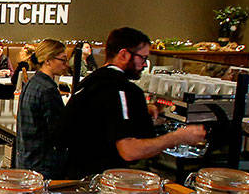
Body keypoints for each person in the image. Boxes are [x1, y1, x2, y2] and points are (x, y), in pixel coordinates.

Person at [60, 27, 205, 178]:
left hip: (75, 176)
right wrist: (179, 137)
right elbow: (129, 151)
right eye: (142, 58)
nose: (144, 65)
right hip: (103, 184)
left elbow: (100, 123)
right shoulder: (121, 88)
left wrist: (140, 112)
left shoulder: (91, 80)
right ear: (123, 54)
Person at [15, 39, 70, 178]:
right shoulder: (48, 90)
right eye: (63, 60)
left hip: (26, 162)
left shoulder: (31, 83)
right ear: (48, 60)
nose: (66, 65)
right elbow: (59, 133)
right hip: (43, 167)